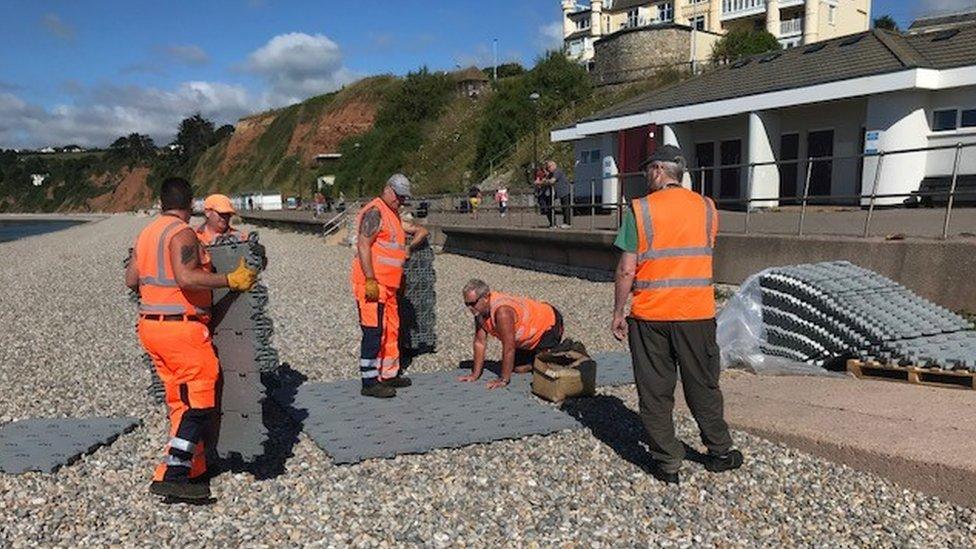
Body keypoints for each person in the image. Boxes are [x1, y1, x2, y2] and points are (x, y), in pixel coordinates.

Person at [610, 144, 742, 485]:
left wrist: (618, 311)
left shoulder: (639, 211)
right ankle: (720, 451)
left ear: (657, 170)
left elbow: (627, 270)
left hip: (651, 315)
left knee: (655, 390)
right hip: (696, 313)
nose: (644, 178)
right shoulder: (707, 208)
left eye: (646, 172)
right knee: (703, 384)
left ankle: (668, 463)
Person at [125, 177, 257, 502]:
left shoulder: (146, 233)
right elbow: (186, 276)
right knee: (202, 396)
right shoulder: (182, 233)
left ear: (160, 203)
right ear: (192, 205)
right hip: (180, 328)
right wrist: (230, 279)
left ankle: (192, 468)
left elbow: (131, 279)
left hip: (150, 326)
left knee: (179, 400)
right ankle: (175, 473)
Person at [351, 174, 429, 398]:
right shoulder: (375, 212)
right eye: (399, 197)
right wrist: (369, 279)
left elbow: (416, 233)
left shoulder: (392, 214)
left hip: (389, 286)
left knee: (390, 330)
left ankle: (388, 373)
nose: (401, 201)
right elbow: (364, 245)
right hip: (373, 285)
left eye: (404, 198)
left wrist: (409, 247)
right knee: (373, 331)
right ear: (388, 190)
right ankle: (369, 381)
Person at [458, 279, 564, 390]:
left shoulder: (502, 312)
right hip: (528, 334)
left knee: (547, 368)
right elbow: (480, 342)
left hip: (548, 324)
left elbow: (509, 347)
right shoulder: (479, 312)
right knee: (518, 369)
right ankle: (537, 356)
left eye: (472, 303)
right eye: (467, 304)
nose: (470, 308)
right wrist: (475, 375)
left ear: (485, 297)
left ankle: (555, 351)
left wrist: (503, 379)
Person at [544, 160, 572, 229]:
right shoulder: (551, 173)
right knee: (550, 205)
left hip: (564, 191)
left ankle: (567, 223)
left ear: (554, 166)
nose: (548, 169)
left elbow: (552, 181)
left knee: (565, 207)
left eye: (549, 167)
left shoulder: (557, 171)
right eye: (547, 168)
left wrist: (545, 181)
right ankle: (553, 223)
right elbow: (546, 179)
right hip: (557, 192)